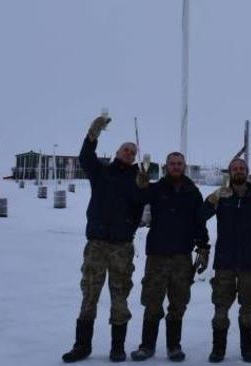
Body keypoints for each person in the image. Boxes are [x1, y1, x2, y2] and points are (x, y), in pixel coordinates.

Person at [62, 115, 144, 363]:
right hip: (97, 244)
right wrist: (93, 134)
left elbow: (145, 204)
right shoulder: (102, 172)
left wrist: (145, 187)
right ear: (117, 152)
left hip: (122, 246)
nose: (129, 153)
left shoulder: (137, 179)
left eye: (132, 152)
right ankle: (82, 346)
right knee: (89, 294)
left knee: (120, 296)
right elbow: (86, 158)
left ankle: (117, 347)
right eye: (125, 150)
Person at [130, 152, 210, 362]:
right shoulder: (155, 189)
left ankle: (174, 346)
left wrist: (203, 247)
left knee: (178, 304)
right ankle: (147, 346)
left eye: (179, 164)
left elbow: (199, 222)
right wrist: (140, 185)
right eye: (172, 164)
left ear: (184, 166)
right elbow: (137, 201)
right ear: (166, 167)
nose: (176, 167)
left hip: (182, 257)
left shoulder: (193, 192)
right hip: (157, 255)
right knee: (152, 302)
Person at [203, 158, 251, 363]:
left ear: (247, 172)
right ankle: (218, 349)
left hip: (249, 263)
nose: (239, 171)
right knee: (220, 307)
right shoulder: (222, 197)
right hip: (224, 262)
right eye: (235, 169)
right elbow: (200, 216)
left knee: (249, 307)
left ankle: (248, 349)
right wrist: (213, 198)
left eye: (242, 168)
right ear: (230, 173)